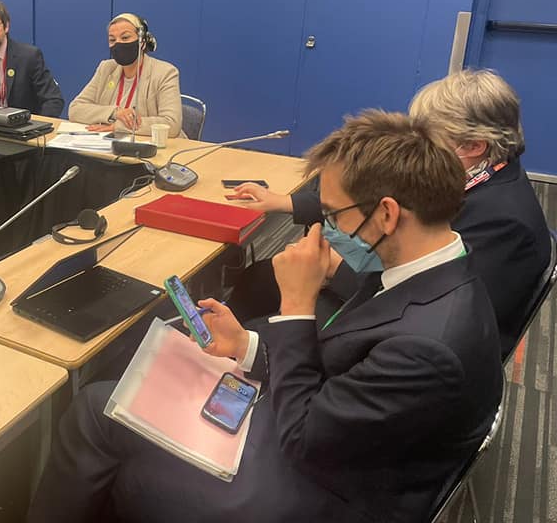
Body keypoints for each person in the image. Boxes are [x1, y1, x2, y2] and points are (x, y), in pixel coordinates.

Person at [28, 111, 502, 523]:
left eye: (333, 215)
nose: (324, 229)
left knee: (97, 412)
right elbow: (344, 372)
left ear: (387, 215)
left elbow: (303, 436)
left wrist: (296, 306)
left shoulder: (428, 348)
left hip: (323, 490)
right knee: (120, 394)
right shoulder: (429, 269)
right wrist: (246, 347)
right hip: (339, 436)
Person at [231, 68, 550, 355]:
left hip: (403, 327)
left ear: (474, 146)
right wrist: (287, 203)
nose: (415, 146)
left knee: (258, 338)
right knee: (258, 279)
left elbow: (424, 301)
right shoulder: (476, 176)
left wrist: (332, 271)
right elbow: (367, 194)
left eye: (427, 138)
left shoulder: (505, 223)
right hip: (385, 290)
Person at [68, 13, 183, 137]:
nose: (118, 43)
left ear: (142, 42)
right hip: (107, 143)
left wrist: (118, 127)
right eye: (112, 40)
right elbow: (75, 109)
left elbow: (172, 124)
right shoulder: (106, 68)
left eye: (125, 37)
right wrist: (115, 113)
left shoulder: (165, 72)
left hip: (154, 145)